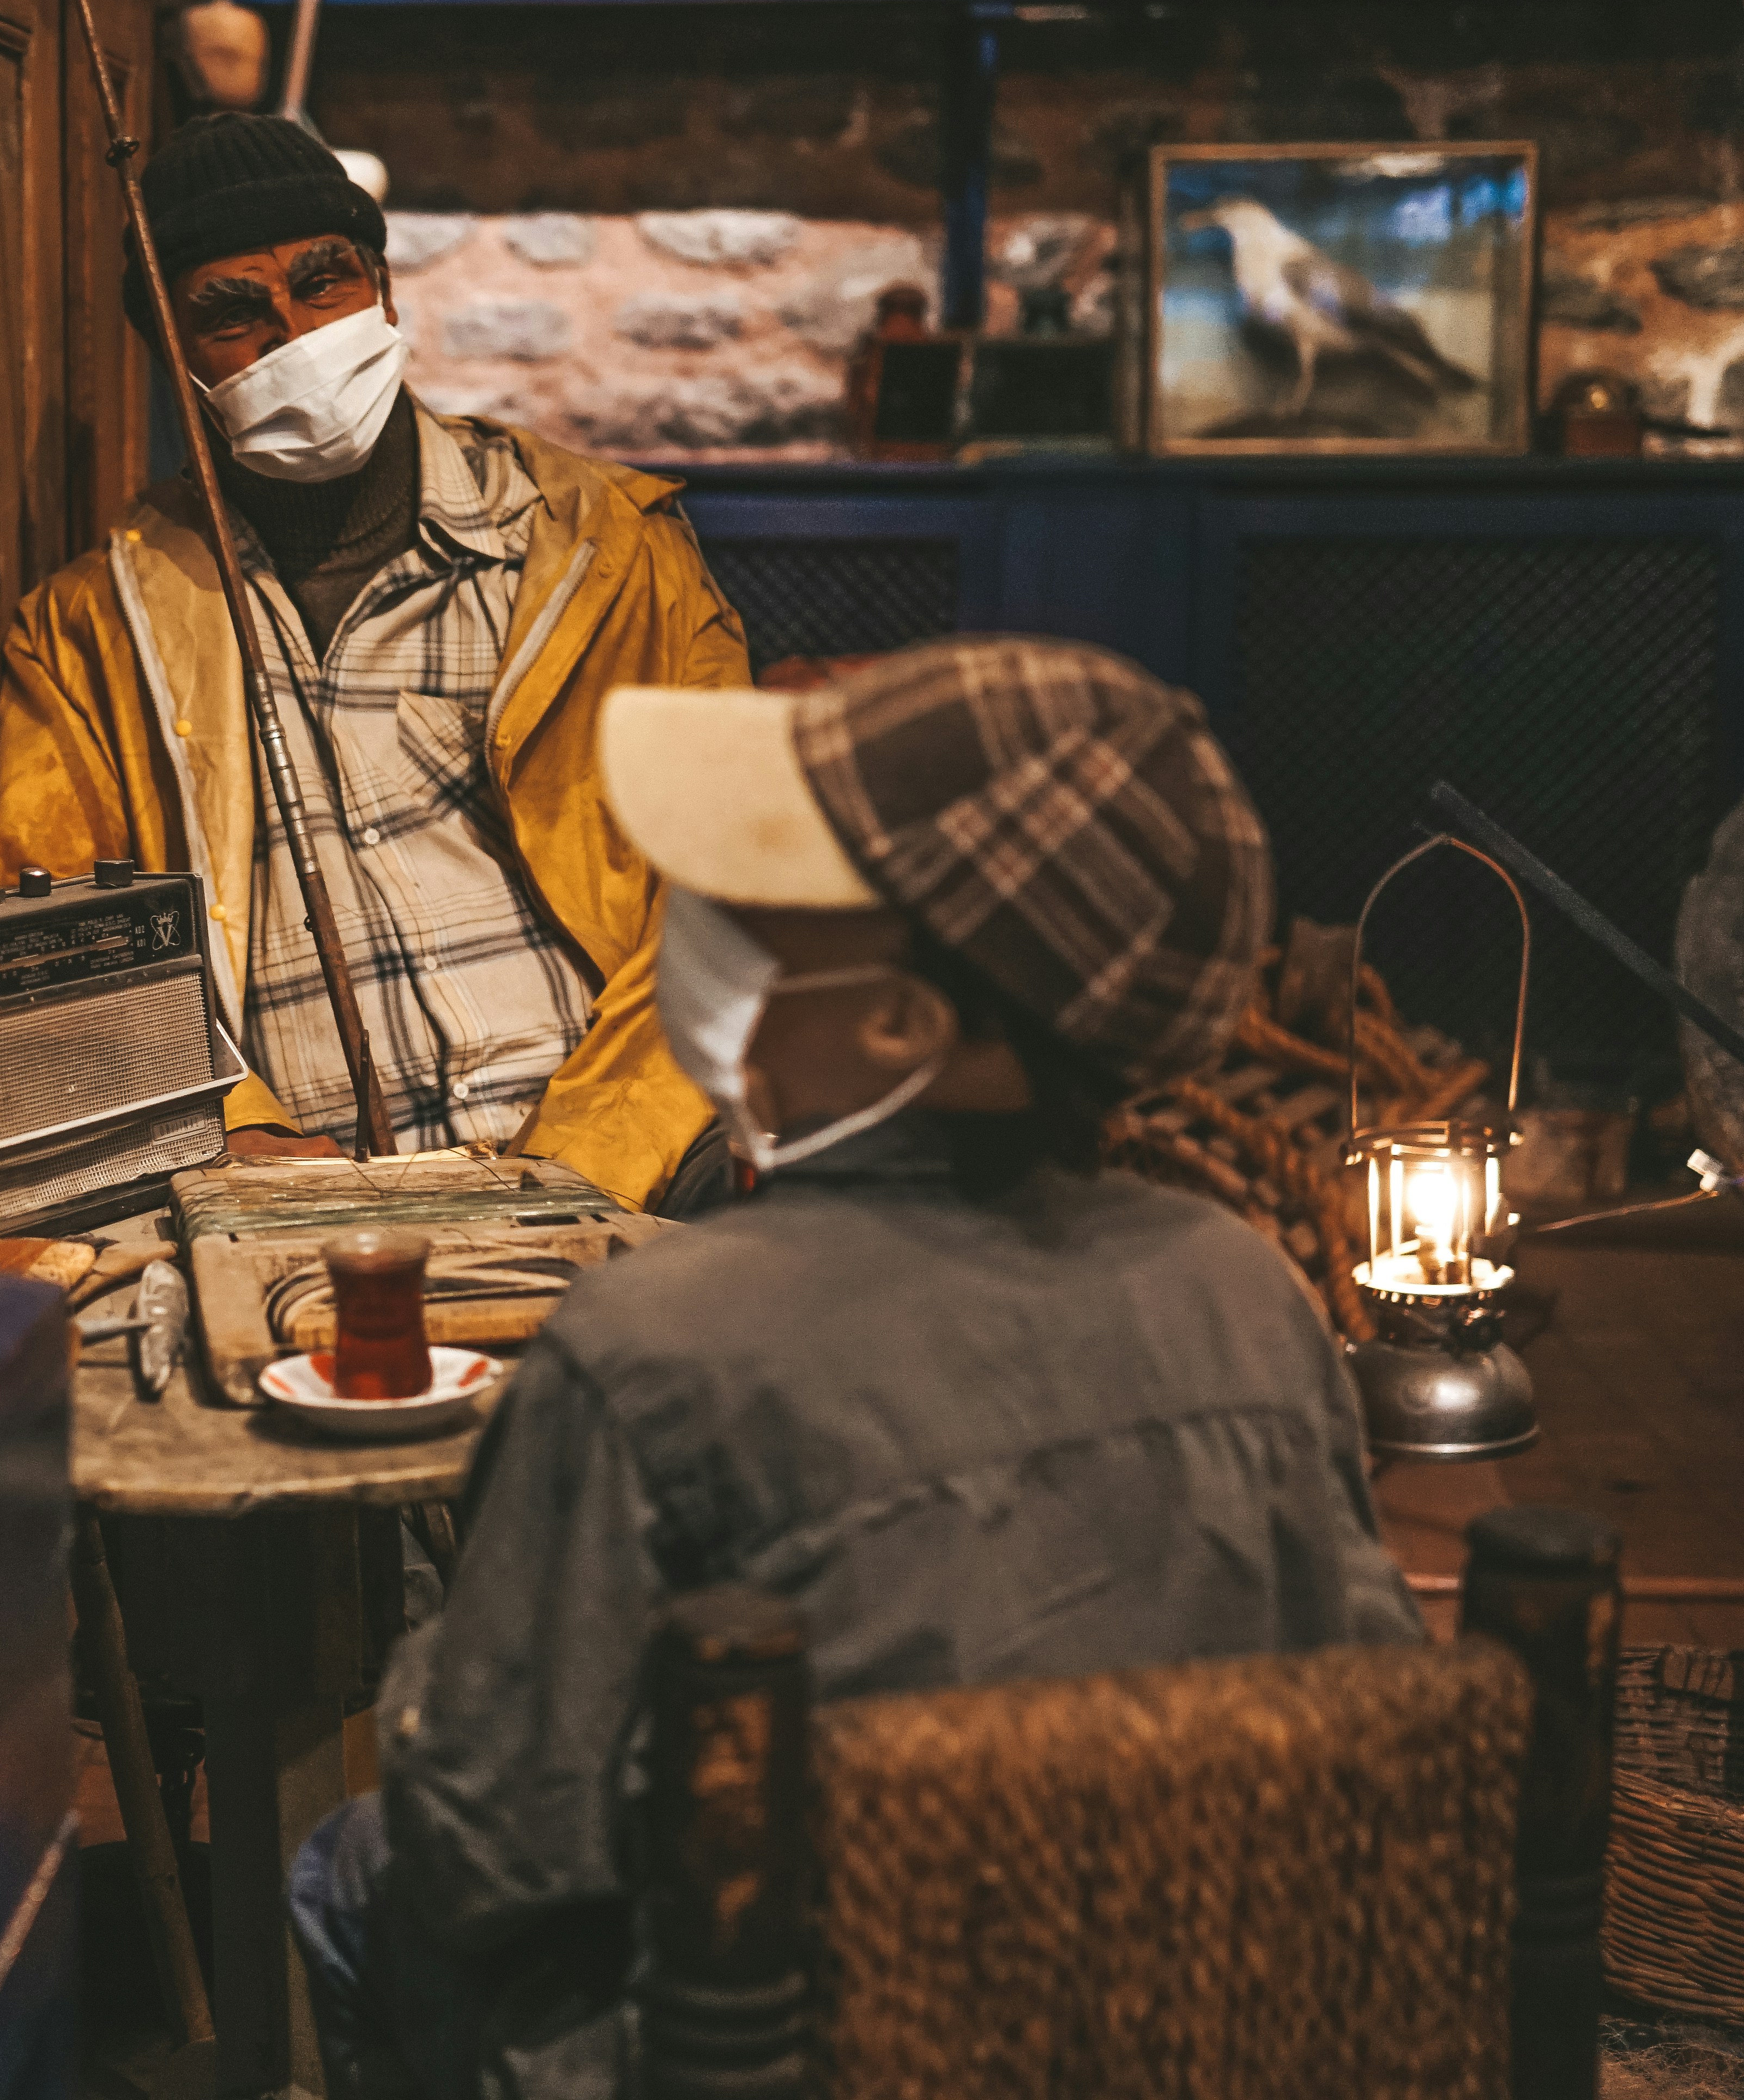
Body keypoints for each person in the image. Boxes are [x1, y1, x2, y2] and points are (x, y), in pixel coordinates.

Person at [287, 639, 1425, 2100]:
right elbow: (1371, 1729)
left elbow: (497, 1843)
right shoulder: (1248, 1298)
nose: (704, 932)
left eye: (767, 907)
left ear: (908, 1024)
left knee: (353, 1860)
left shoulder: (650, 1353)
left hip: (780, 2057)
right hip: (1175, 2035)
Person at [0, 113, 750, 1211]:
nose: (290, 334)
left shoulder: (597, 544)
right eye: (231, 313)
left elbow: (727, 880)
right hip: (303, 1200)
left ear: (384, 292)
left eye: (323, 281)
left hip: (635, 1157)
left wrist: (590, 1161)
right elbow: (59, 943)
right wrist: (227, 1133)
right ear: (171, 355)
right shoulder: (94, 631)